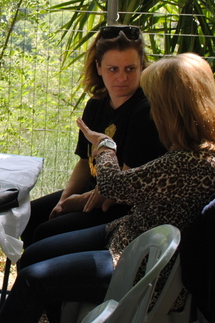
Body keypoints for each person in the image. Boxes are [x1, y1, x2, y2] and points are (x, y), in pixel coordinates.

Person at [0, 53, 215, 323]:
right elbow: (134, 183)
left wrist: (105, 146)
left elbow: (113, 187)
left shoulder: (188, 163)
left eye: (157, 104)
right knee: (35, 253)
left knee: (33, 280)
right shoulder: (200, 152)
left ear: (175, 109)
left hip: (138, 269)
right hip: (130, 238)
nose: (153, 113)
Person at [21, 25, 166, 248]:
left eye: (130, 69)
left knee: (45, 232)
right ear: (98, 67)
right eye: (112, 69)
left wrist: (71, 205)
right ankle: (28, 280)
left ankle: (45, 280)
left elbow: (122, 189)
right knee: (28, 217)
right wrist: (63, 200)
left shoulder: (145, 112)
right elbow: (83, 163)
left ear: (142, 68)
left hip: (117, 207)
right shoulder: (95, 105)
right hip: (92, 191)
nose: (122, 78)